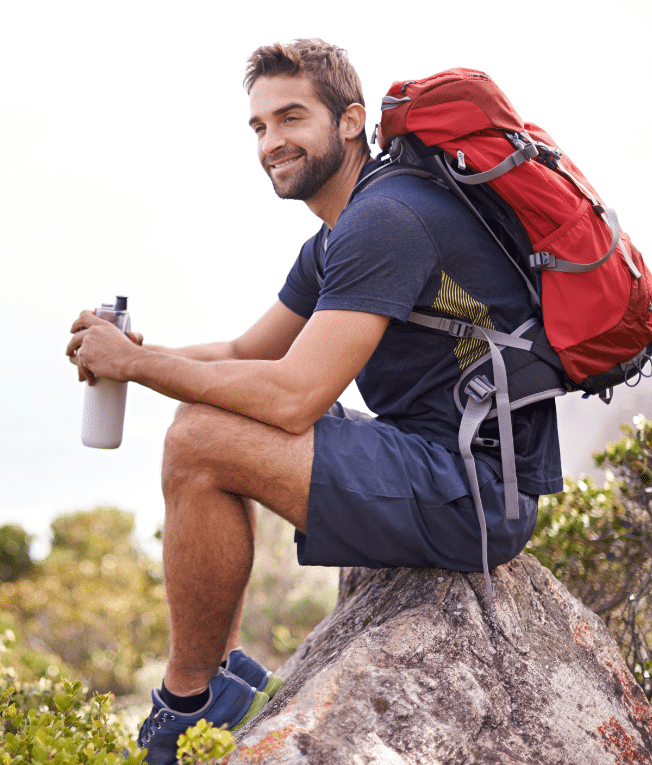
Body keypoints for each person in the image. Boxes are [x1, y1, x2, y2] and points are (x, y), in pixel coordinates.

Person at [66, 39, 562, 765]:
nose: (272, 142)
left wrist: (137, 366)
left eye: (291, 117)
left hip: (476, 494)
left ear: (351, 121)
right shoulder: (339, 234)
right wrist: (137, 354)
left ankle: (187, 704)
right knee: (201, 424)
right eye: (260, 126)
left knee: (200, 439)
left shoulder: (387, 219)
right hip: (439, 463)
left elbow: (295, 396)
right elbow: (245, 355)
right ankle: (221, 681)